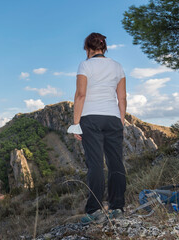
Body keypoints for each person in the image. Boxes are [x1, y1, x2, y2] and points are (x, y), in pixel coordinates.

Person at [67, 32, 127, 225]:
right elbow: (122, 98)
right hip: (113, 118)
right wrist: (121, 120)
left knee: (95, 165)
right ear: (104, 47)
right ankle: (117, 207)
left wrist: (76, 124)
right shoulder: (117, 66)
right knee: (116, 162)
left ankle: (94, 210)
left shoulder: (85, 65)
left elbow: (80, 95)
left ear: (87, 48)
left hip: (90, 118)